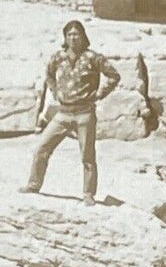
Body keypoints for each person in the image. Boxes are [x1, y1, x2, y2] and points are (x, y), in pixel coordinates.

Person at [20, 20, 120, 204]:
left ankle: (88, 194)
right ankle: (33, 185)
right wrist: (55, 91)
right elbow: (49, 75)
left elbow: (114, 76)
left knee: (87, 156)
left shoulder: (93, 58)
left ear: (83, 36)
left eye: (76, 34)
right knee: (41, 148)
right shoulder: (58, 57)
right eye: (69, 35)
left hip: (85, 114)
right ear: (65, 37)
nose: (73, 38)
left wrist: (100, 93)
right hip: (63, 114)